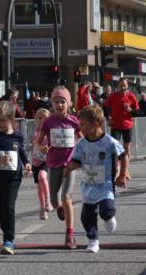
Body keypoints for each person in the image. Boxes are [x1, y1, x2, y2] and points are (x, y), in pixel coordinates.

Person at [65, 105, 128, 253]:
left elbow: (124, 156)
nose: (80, 128)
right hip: (88, 185)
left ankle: (109, 217)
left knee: (106, 210)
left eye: (83, 124)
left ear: (96, 124)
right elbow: (77, 161)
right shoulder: (81, 144)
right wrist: (67, 169)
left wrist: (122, 175)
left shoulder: (109, 141)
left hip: (105, 184)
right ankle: (93, 241)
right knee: (86, 217)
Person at [36, 86, 81, 249]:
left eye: (62, 102)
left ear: (68, 104)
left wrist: (83, 153)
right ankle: (59, 208)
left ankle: (70, 235)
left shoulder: (74, 121)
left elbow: (82, 140)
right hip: (53, 164)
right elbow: (38, 141)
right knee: (55, 201)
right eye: (56, 102)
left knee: (66, 197)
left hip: (70, 164)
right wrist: (41, 147)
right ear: (52, 104)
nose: (59, 105)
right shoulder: (48, 122)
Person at [0, 101, 31, 255]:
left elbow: (22, 152)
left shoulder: (18, 136)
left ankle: (8, 240)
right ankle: (6, 231)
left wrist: (27, 163)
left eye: (2, 120)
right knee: (0, 207)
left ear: (11, 119)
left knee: (9, 206)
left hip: (13, 178)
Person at [104, 78, 139, 178]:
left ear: (127, 86)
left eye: (124, 86)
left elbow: (138, 112)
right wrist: (108, 118)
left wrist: (130, 110)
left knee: (127, 148)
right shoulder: (113, 96)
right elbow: (106, 107)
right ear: (117, 86)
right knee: (115, 148)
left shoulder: (131, 97)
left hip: (127, 125)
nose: (123, 87)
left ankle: (126, 170)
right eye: (121, 86)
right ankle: (117, 169)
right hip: (115, 125)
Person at [30, 108, 54, 221]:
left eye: (45, 118)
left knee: (42, 176)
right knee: (39, 186)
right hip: (36, 162)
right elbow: (29, 145)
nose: (42, 120)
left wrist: (48, 148)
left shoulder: (50, 132)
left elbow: (54, 146)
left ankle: (48, 200)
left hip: (46, 162)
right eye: (39, 118)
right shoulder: (34, 132)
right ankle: (42, 208)